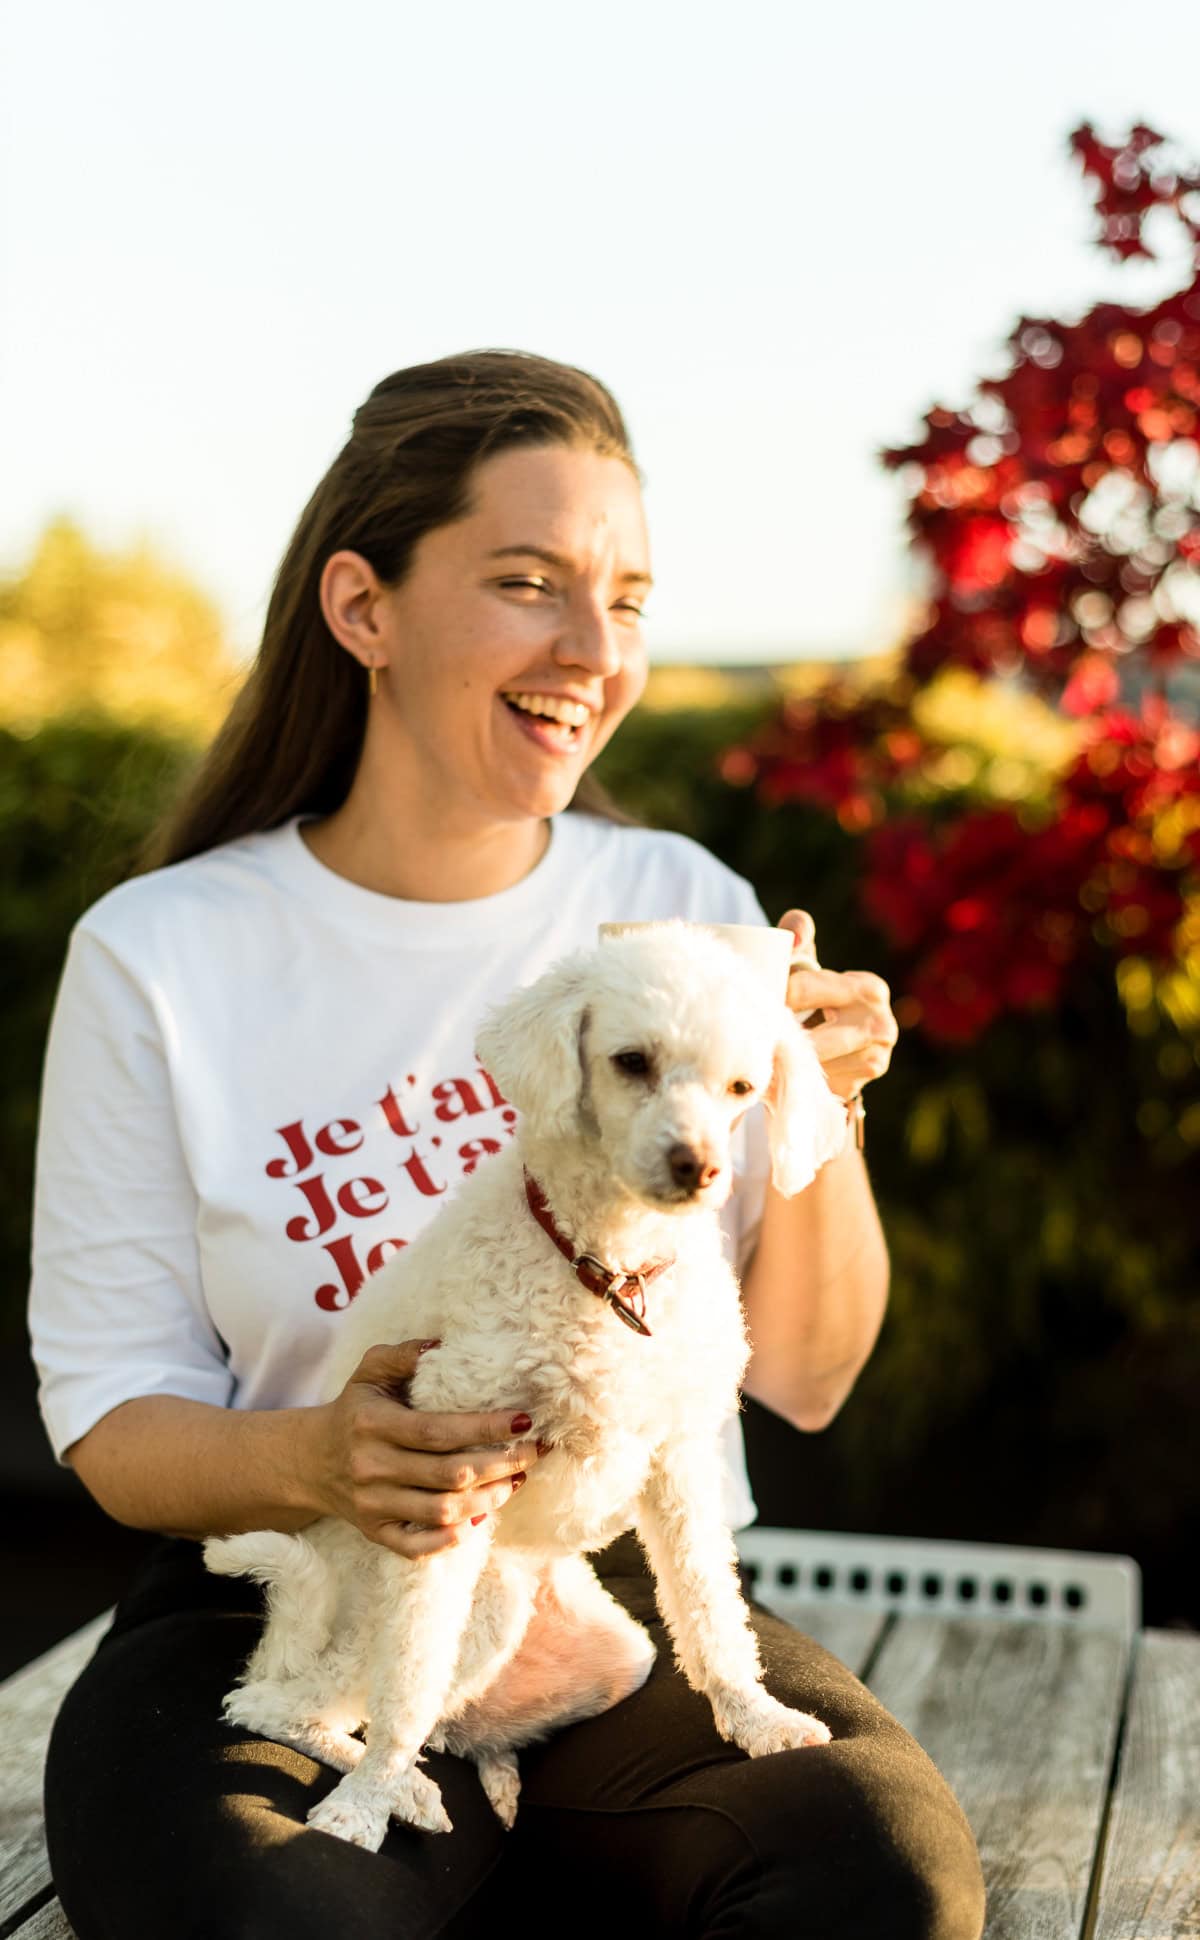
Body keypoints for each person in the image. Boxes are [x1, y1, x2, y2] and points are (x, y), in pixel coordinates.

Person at [29, 348, 986, 1939]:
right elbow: (115, 1420)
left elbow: (805, 1373)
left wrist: (824, 1109)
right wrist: (318, 1458)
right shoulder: (162, 953)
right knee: (282, 1923)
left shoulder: (690, 915)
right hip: (290, 1584)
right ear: (365, 608)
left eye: (627, 596)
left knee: (873, 1880)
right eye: (529, 582)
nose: (593, 650)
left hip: (608, 1590)